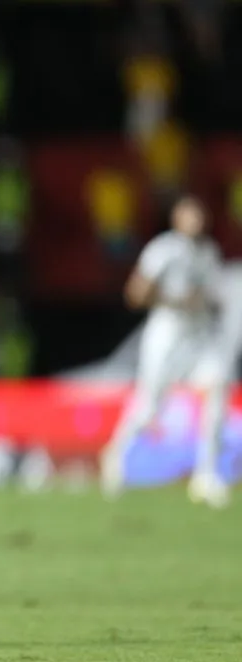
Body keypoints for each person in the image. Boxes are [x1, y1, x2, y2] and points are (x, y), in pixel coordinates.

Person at [101, 195, 230, 507]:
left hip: (198, 336)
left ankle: (206, 475)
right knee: (149, 407)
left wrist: (206, 303)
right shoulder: (164, 250)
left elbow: (213, 296)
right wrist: (174, 300)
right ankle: (115, 455)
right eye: (189, 214)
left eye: (200, 214)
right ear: (177, 218)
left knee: (217, 388)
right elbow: (135, 293)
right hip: (167, 334)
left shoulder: (209, 253)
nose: (196, 220)